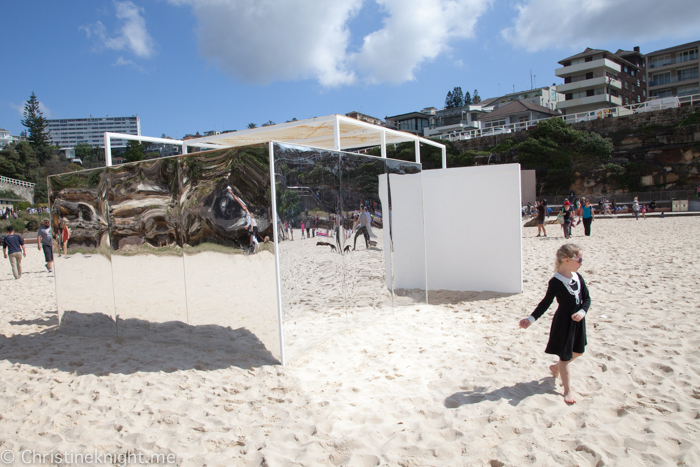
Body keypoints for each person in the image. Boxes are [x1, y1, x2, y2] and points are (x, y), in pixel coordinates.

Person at [519, 244, 591, 404]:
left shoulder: (578, 277)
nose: (581, 263)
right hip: (564, 324)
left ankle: (556, 368)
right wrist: (530, 319)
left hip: (579, 322)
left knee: (578, 352)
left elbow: (587, 299)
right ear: (566, 260)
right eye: (579, 259)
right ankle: (567, 391)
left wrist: (582, 312)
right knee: (565, 357)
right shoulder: (556, 281)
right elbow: (545, 303)